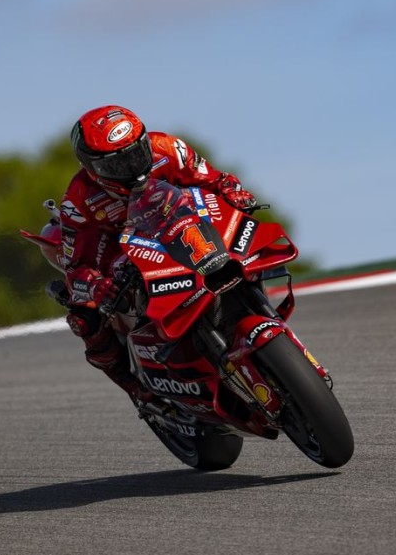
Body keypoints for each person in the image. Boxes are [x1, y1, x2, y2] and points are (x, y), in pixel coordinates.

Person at [54, 105, 257, 399]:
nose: (131, 168)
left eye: (135, 154)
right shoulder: (78, 200)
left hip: (186, 227)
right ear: (91, 166)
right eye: (115, 165)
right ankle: (137, 390)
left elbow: (215, 180)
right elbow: (77, 265)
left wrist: (233, 190)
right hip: (122, 253)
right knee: (83, 319)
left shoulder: (169, 149)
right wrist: (97, 286)